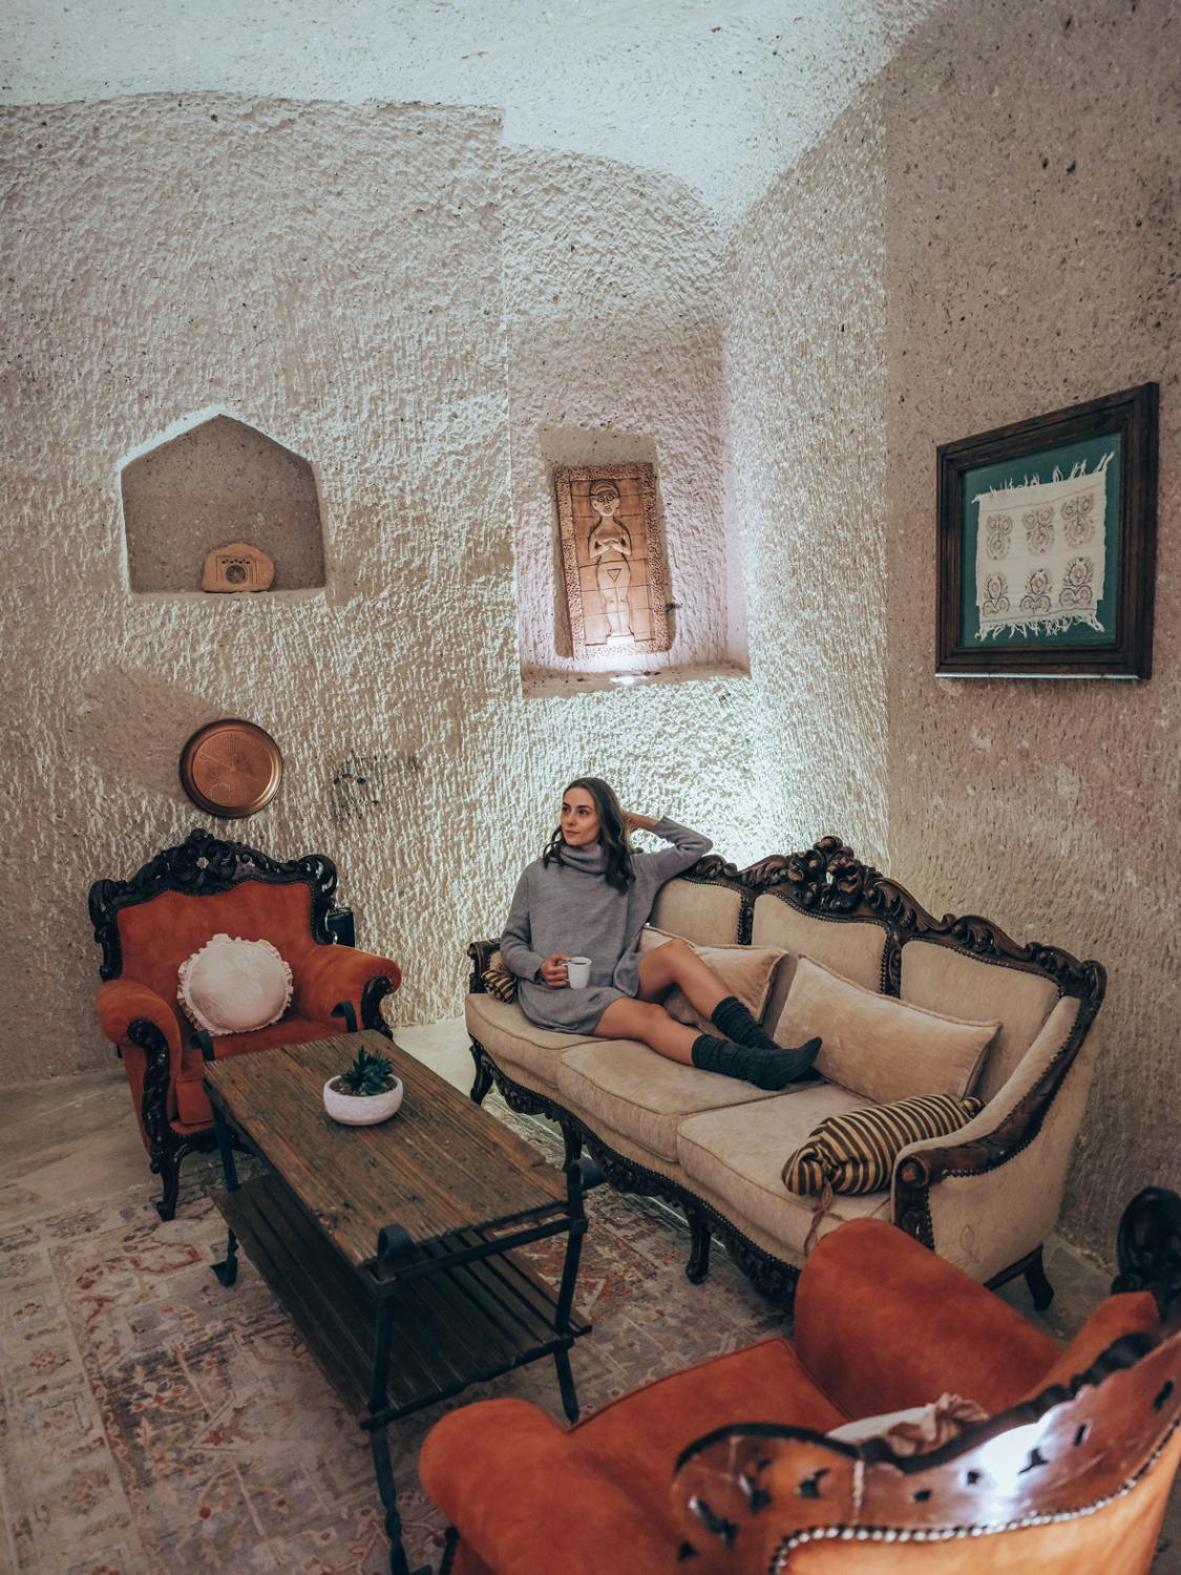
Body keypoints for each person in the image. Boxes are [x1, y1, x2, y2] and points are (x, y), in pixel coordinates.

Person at [500, 777, 820, 1090]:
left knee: (675, 952)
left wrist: (642, 821)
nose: (570, 820)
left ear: (605, 819)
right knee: (652, 1016)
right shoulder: (537, 874)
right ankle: (754, 1067)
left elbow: (697, 845)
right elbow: (512, 940)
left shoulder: (633, 870)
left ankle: (768, 1051)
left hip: (615, 979)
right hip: (559, 994)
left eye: (583, 812)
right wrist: (538, 968)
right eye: (566, 809)